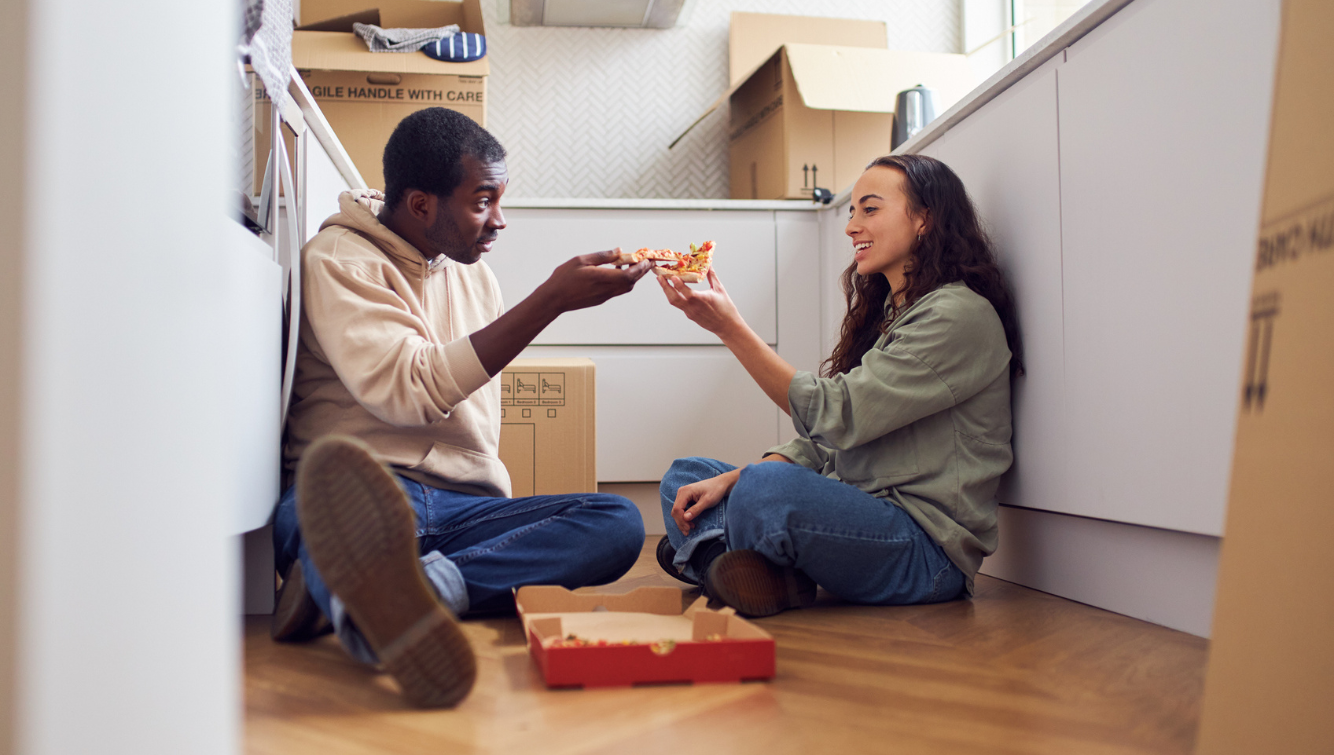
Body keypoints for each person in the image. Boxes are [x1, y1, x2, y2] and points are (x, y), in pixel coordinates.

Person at [270, 107, 654, 708]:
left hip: (465, 512)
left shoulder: (476, 277)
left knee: (617, 523)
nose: (499, 221)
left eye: (500, 199)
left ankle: (385, 595)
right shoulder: (340, 259)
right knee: (317, 516)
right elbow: (409, 389)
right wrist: (549, 300)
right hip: (368, 486)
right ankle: (370, 591)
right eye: (482, 201)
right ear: (422, 204)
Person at [654, 154, 1023, 618]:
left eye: (869, 209)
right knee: (687, 476)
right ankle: (731, 567)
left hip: (923, 551)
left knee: (765, 490)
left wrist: (731, 328)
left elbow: (839, 418)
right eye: (851, 212)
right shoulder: (897, 314)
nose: (851, 227)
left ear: (925, 219)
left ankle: (706, 558)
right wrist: (734, 478)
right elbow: (832, 443)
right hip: (857, 507)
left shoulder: (956, 316)